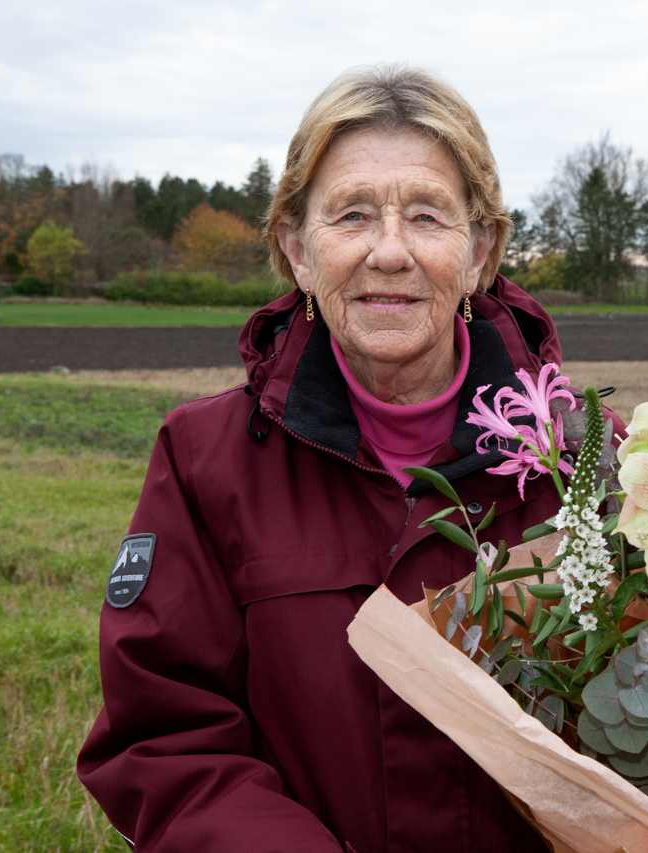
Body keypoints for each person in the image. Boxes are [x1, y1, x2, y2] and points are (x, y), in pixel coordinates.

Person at [78, 65, 567, 852]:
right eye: (351, 215)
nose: (390, 252)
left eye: (427, 216)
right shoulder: (205, 462)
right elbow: (164, 738)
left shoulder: (592, 466)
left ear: (481, 251)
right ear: (297, 250)